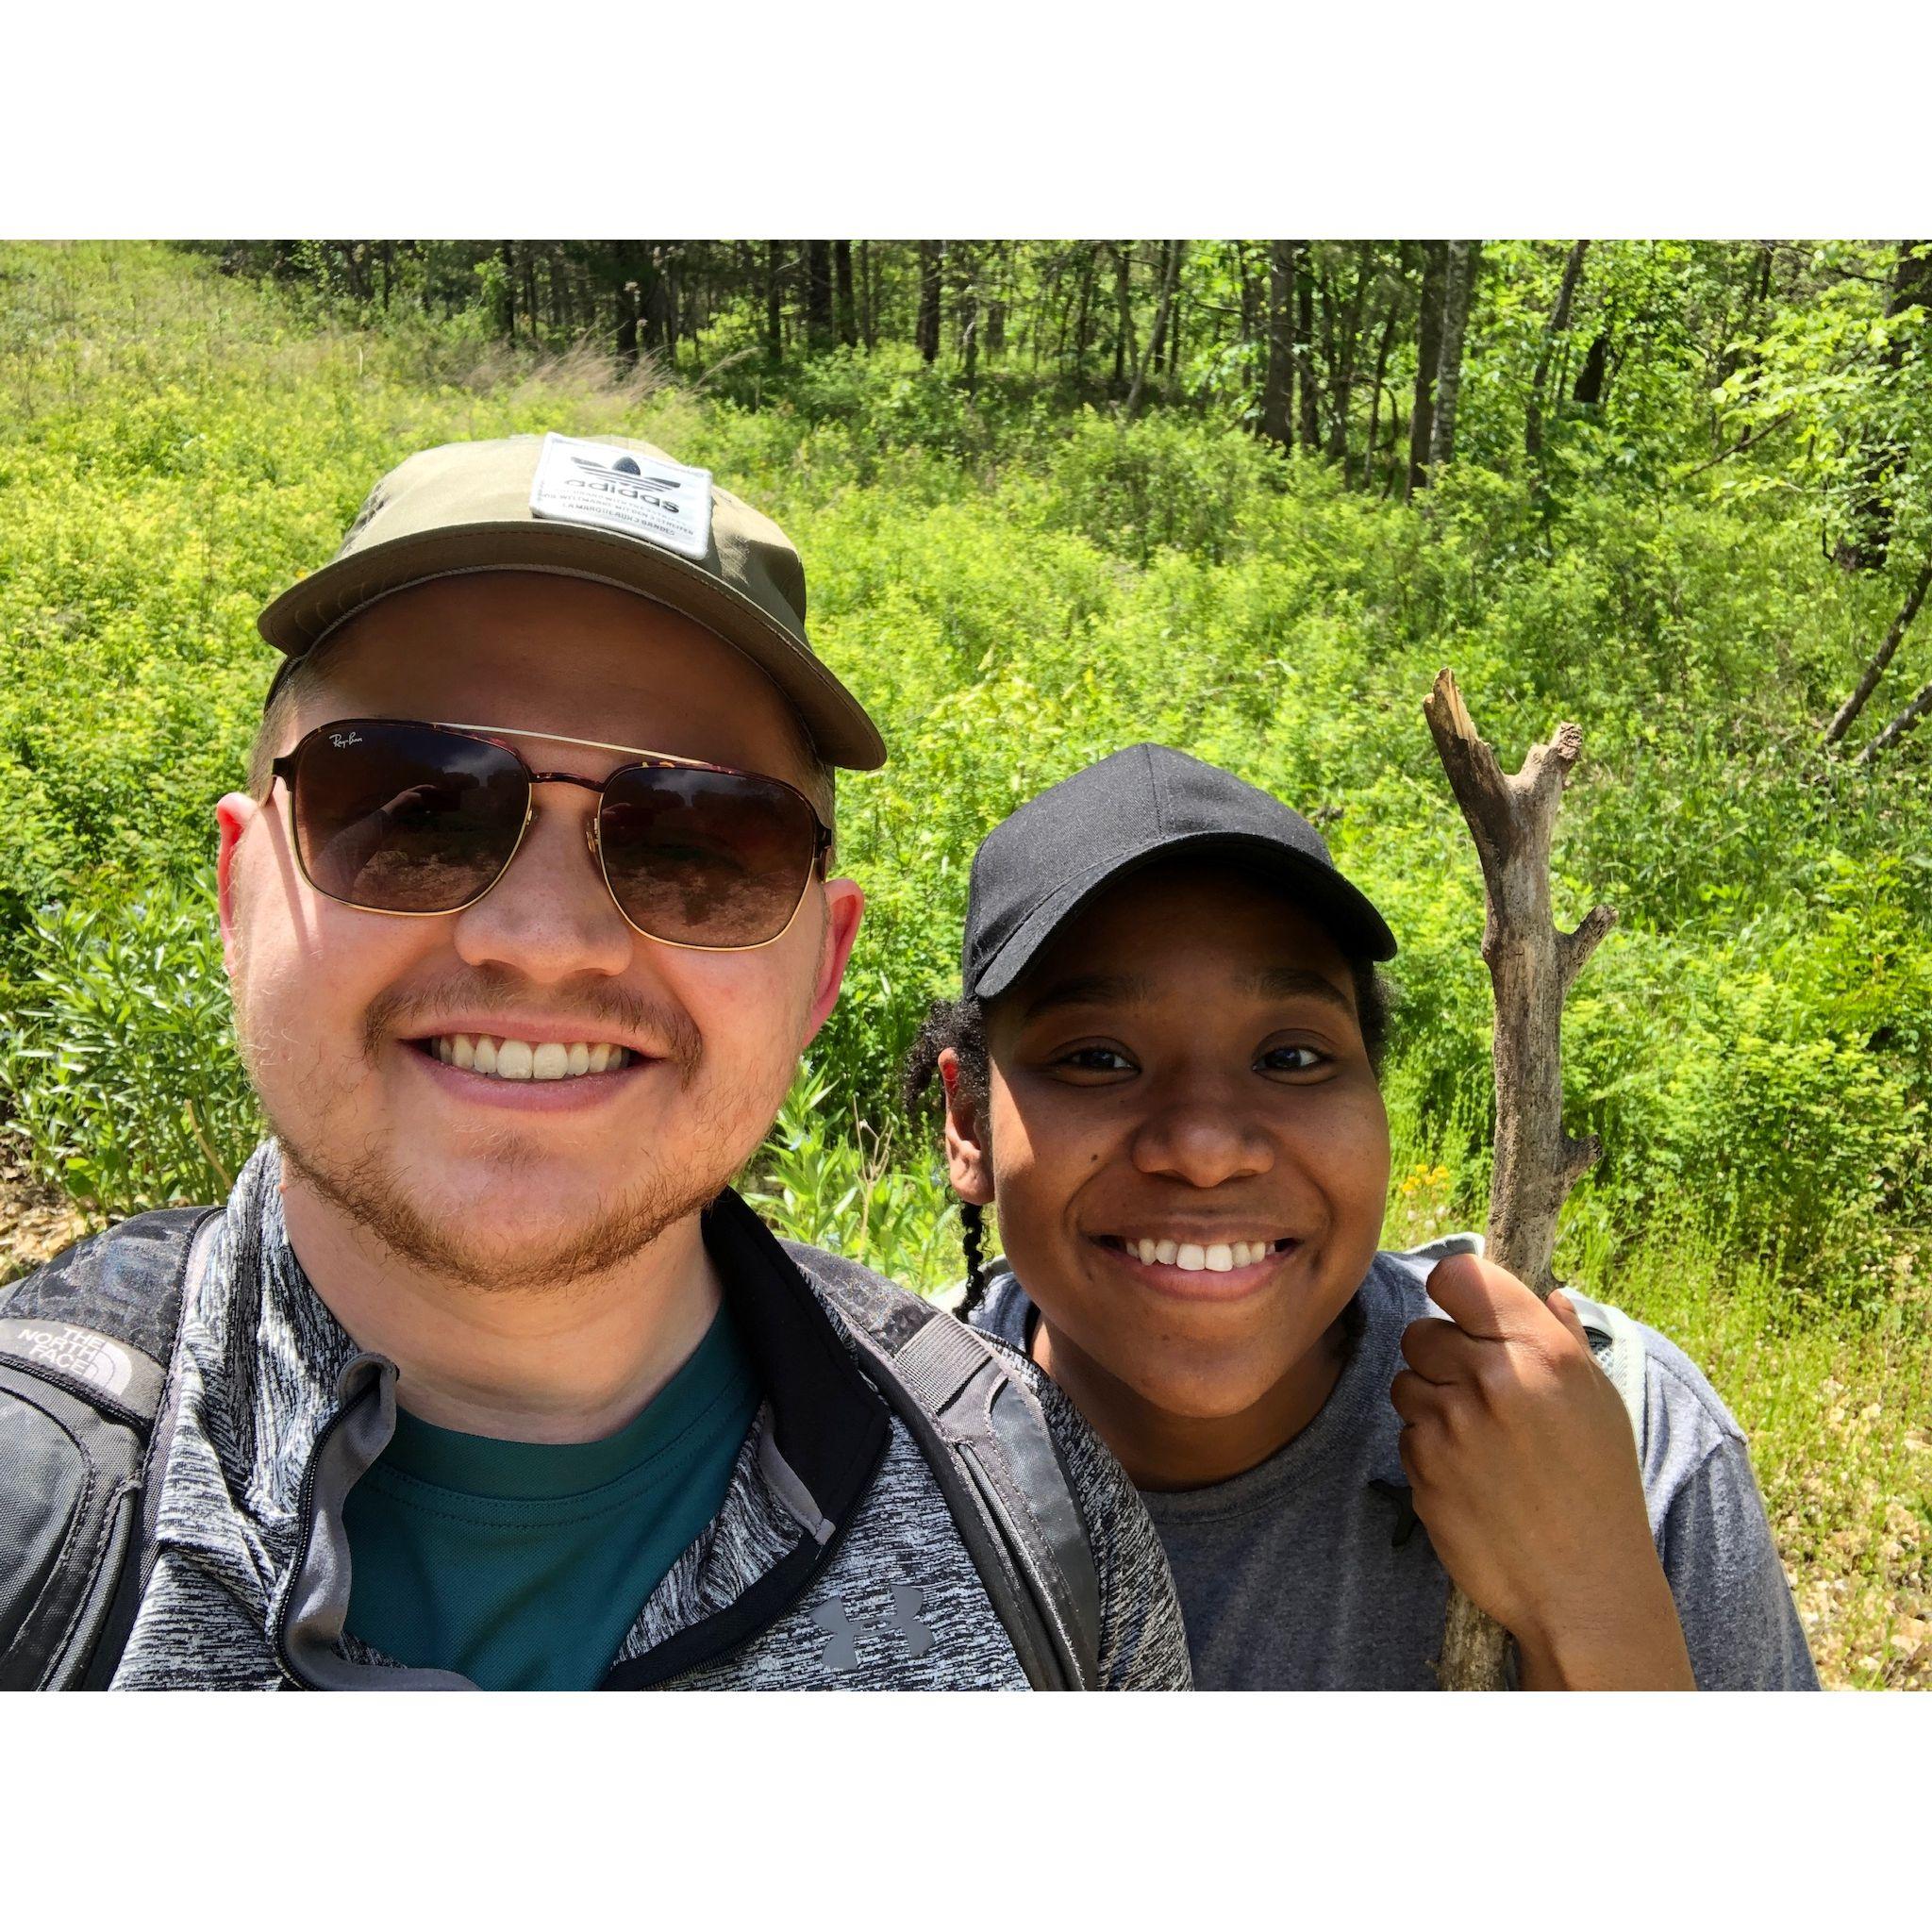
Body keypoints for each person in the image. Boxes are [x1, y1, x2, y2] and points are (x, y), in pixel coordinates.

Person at [0, 433, 1188, 1691]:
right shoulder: (39, 1501)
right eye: (414, 806)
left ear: (819, 974)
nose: (544, 942)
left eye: (700, 840)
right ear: (241, 891)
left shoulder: (1036, 1519)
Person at [906, 742, 1818, 1690]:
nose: (1208, 1147)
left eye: (1290, 1057)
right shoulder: (865, 1464)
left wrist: (1592, 1603)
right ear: (968, 1121)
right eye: (1097, 1057)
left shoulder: (1618, 1438)